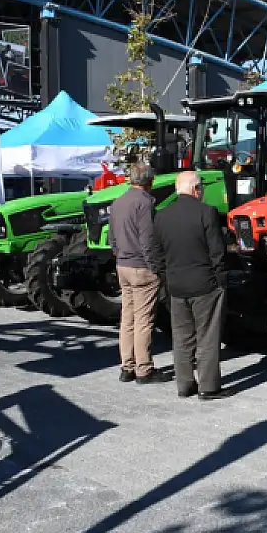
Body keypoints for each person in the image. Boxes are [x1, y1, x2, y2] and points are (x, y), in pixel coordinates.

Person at [154, 170, 232, 400]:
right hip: (205, 284)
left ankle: (185, 384)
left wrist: (166, 279)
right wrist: (220, 279)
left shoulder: (162, 216)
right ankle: (208, 387)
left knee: (182, 337)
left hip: (176, 286)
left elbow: (158, 255)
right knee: (207, 336)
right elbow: (217, 252)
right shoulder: (207, 213)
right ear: (196, 190)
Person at [108, 160, 167, 384]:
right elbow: (147, 239)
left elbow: (111, 238)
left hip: (122, 264)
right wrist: (156, 267)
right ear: (150, 181)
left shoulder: (118, 202)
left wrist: (120, 254)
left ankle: (127, 366)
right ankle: (144, 369)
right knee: (144, 320)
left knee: (127, 318)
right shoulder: (146, 203)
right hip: (141, 266)